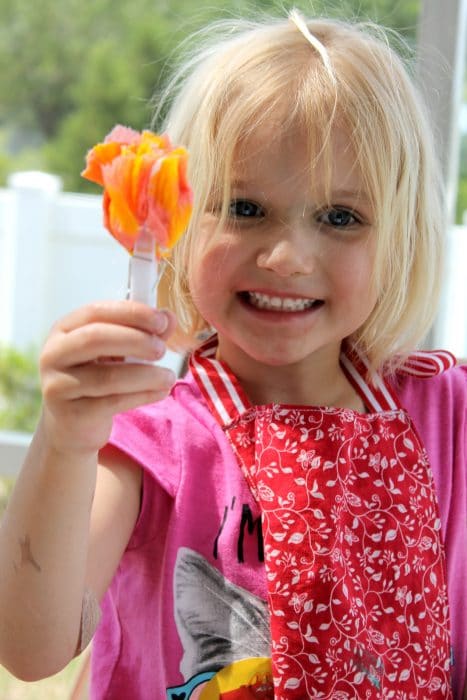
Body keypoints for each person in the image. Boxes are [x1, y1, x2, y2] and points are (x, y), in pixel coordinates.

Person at [0, 10, 465, 700]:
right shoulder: (149, 438)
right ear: (178, 226)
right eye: (244, 208)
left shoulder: (446, 417)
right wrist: (66, 440)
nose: (285, 257)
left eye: (340, 218)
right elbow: (31, 648)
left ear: (398, 241)